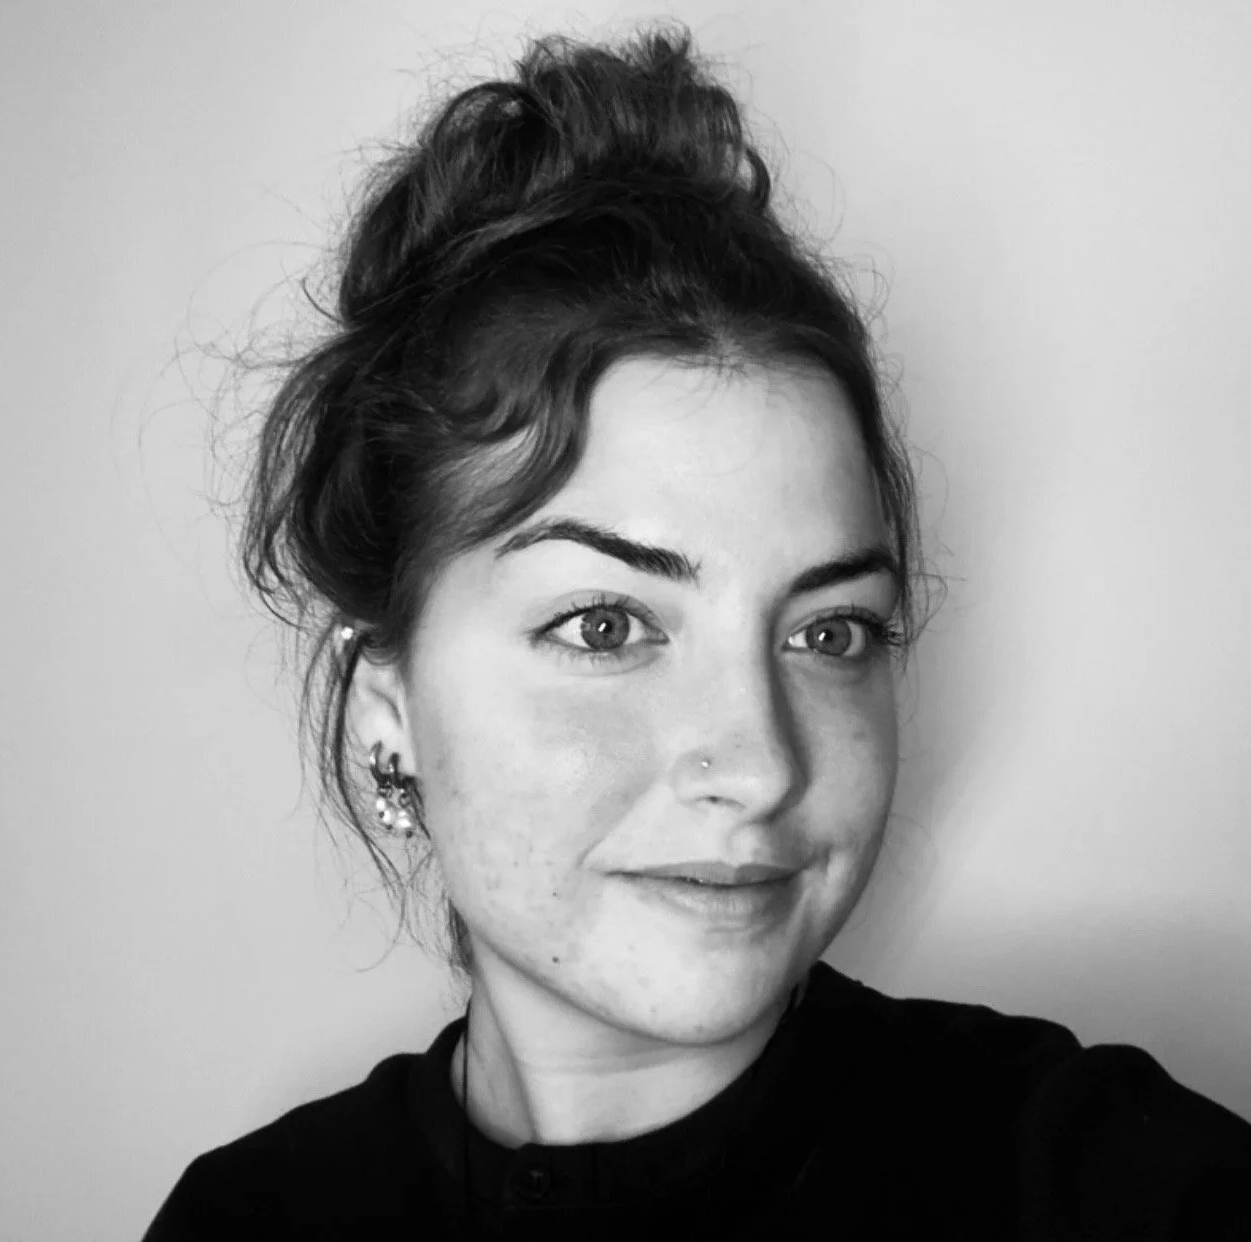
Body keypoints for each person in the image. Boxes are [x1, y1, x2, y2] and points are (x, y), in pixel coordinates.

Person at [143, 26, 1251, 1240]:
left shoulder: (1088, 1184)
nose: (762, 763)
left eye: (830, 632)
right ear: (388, 717)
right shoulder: (252, 1221)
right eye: (607, 624)